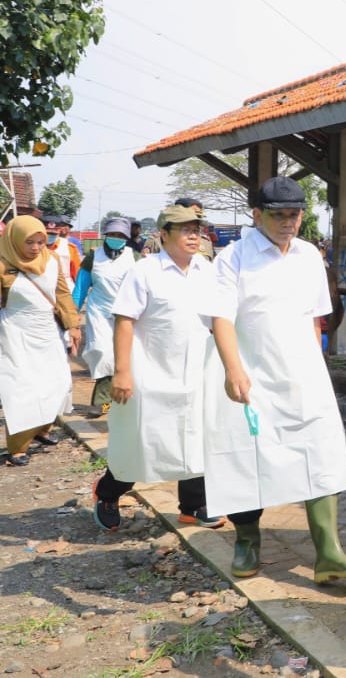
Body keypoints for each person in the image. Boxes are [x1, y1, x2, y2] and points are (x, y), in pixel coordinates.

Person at [204, 177, 346, 584]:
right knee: (247, 457)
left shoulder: (309, 255)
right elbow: (220, 318)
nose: (288, 223)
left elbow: (314, 318)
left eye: (294, 215)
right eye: (278, 215)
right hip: (251, 374)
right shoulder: (234, 257)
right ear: (257, 215)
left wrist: (316, 366)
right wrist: (233, 369)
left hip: (302, 373)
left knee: (321, 451)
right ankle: (247, 540)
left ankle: (329, 552)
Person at [91, 205, 224, 531]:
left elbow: (219, 320)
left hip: (195, 370)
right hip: (150, 371)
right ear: (164, 234)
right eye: (185, 230)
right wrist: (122, 371)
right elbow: (124, 320)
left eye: (197, 230)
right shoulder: (145, 271)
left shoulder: (206, 271)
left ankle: (194, 506)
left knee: (195, 437)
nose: (194, 236)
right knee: (141, 441)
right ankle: (108, 493)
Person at [0, 217, 81, 466]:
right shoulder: (3, 263)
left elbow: (62, 294)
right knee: (22, 389)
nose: (36, 248)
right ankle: (17, 447)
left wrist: (73, 325)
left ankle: (42, 429)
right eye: (29, 242)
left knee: (57, 383)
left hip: (47, 332)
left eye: (40, 241)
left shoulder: (52, 259)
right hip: (15, 333)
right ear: (14, 240)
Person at [73, 216, 138, 419]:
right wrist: (72, 317)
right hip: (99, 311)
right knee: (102, 352)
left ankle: (116, 400)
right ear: (105, 235)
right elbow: (80, 288)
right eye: (112, 234)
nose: (116, 238)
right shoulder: (94, 257)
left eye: (120, 235)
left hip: (127, 312)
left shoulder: (135, 257)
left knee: (127, 354)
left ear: (126, 238)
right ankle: (102, 401)